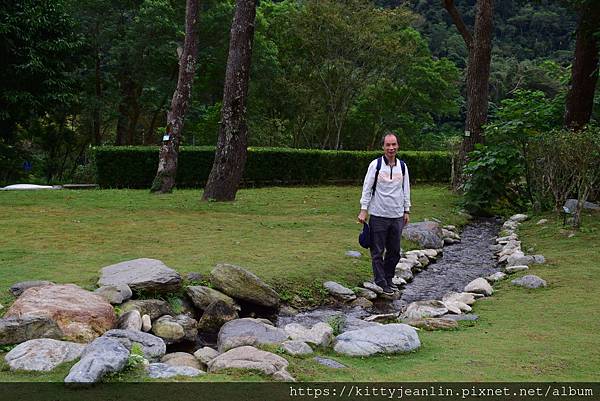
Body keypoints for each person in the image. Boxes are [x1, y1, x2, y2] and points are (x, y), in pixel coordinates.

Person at [358, 132, 411, 296]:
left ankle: (388, 279)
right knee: (377, 251)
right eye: (388, 145)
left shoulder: (402, 166)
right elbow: (367, 188)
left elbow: (406, 189)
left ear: (398, 146)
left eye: (394, 144)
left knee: (394, 251)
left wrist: (406, 210)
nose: (391, 148)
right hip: (378, 215)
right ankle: (381, 282)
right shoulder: (375, 165)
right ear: (383, 147)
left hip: (396, 216)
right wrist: (363, 209)